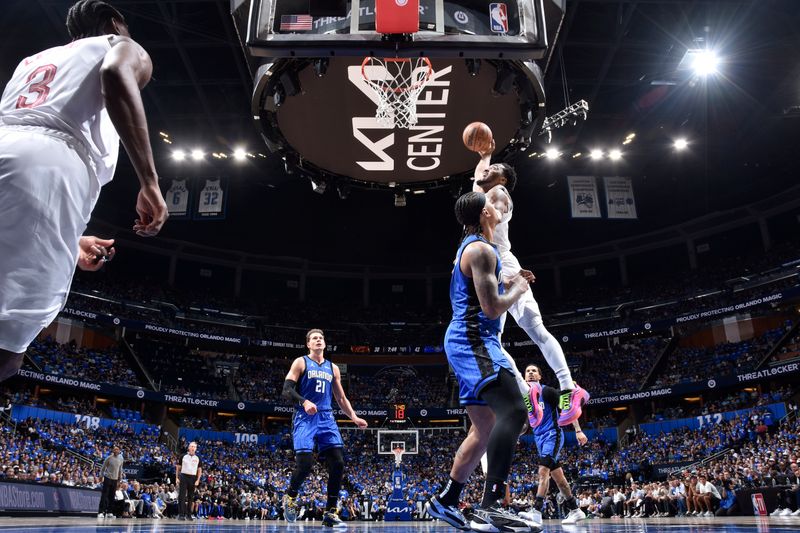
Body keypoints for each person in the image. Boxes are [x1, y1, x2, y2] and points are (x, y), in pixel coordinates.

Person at [0, 0, 168, 380]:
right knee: (9, 349)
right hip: (50, 166)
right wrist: (149, 181)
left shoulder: (32, 61)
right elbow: (115, 74)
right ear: (115, 23)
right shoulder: (117, 44)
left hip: (8, 146)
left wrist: (73, 240)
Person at [425, 191, 533, 532]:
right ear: (485, 212)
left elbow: (483, 292)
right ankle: (491, 506)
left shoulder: (478, 248)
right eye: (496, 204)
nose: (501, 208)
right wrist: (517, 287)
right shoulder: (481, 249)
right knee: (515, 411)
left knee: (485, 428)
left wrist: (508, 281)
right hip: (474, 340)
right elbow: (492, 308)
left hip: (469, 340)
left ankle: (446, 499)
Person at [471, 140, 588, 426]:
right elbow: (477, 179)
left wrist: (506, 276)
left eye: (494, 168)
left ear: (503, 180)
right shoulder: (483, 192)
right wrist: (485, 155)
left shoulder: (498, 192)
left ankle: (569, 387)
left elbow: (491, 224)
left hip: (500, 262)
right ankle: (528, 397)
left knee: (534, 329)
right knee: (491, 343)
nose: (488, 170)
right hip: (487, 263)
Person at [282, 328, 368, 529]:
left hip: (327, 417)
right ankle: (290, 496)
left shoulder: (333, 368)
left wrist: (354, 417)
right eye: (314, 338)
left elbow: (340, 398)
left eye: (321, 338)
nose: (318, 340)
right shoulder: (301, 362)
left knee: (338, 463)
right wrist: (304, 402)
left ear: (325, 344)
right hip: (305, 416)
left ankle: (330, 512)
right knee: (305, 465)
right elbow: (286, 390)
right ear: (308, 344)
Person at [518, 364, 587, 527]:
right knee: (560, 480)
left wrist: (578, 431)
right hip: (539, 440)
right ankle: (575, 510)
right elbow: (526, 423)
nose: (530, 373)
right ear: (524, 377)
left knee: (543, 472)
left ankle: (536, 511)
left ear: (539, 376)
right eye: (527, 371)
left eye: (534, 371)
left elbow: (568, 408)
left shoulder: (547, 391)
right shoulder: (526, 398)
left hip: (552, 435)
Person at [176, 441, 202, 520]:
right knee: (182, 496)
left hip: (193, 478)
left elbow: (199, 470)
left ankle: (189, 515)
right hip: (183, 476)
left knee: (191, 497)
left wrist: (198, 480)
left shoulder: (198, 458)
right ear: (188, 447)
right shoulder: (183, 456)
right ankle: (181, 514)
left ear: (196, 448)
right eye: (191, 446)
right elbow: (178, 468)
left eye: (194, 447)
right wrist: (176, 477)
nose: (193, 448)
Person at [97, 445, 123, 518]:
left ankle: (109, 512)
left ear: (119, 451)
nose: (116, 451)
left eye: (117, 449)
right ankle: (101, 512)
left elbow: (120, 470)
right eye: (115, 449)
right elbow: (103, 467)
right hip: (108, 478)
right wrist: (101, 476)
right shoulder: (109, 458)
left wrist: (119, 479)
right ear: (113, 451)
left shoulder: (121, 459)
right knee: (104, 496)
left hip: (115, 480)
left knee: (112, 496)